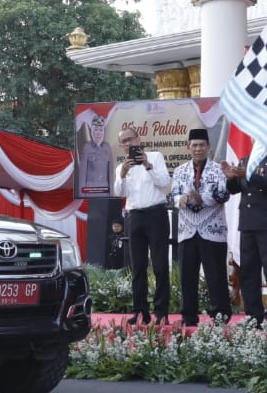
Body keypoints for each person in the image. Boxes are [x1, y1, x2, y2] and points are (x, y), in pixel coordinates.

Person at [223, 146, 267, 331]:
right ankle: (253, 315)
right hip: (248, 224)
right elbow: (236, 189)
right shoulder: (245, 160)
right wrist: (230, 178)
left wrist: (249, 174)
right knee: (249, 272)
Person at [169, 128, 232, 326]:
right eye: (194, 145)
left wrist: (201, 198)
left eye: (202, 145)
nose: (198, 149)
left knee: (216, 275)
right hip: (187, 231)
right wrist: (184, 198)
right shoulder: (180, 171)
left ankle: (220, 316)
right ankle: (189, 316)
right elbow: (171, 196)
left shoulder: (218, 169)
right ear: (188, 147)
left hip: (212, 230)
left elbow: (224, 195)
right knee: (187, 276)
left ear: (208, 147)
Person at [114, 126, 171, 325]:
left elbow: (165, 183)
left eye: (131, 139)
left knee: (160, 264)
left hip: (156, 214)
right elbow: (120, 193)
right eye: (125, 141)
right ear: (121, 146)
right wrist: (122, 174)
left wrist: (147, 164)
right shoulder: (121, 166)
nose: (129, 144)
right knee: (137, 266)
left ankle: (161, 312)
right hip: (134, 216)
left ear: (139, 139)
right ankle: (140, 311)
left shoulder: (155, 157)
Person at [79, 116, 113, 196]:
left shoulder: (107, 147)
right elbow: (82, 174)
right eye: (96, 129)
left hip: (104, 191)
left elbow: (110, 174)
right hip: (90, 192)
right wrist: (81, 195)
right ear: (92, 131)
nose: (98, 133)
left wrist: (110, 194)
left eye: (101, 130)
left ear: (103, 132)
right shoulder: (87, 148)